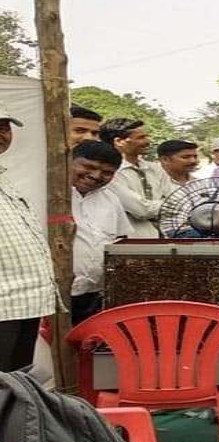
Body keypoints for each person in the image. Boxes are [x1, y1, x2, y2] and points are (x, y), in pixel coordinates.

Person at [0, 107, 56, 372]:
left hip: (23, 303)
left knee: (17, 383)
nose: (2, 134)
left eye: (4, 127)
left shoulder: (4, 180)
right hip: (4, 303)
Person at [69, 141, 131, 324]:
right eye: (88, 167)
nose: (96, 176)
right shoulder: (48, 195)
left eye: (107, 172)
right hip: (54, 294)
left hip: (94, 294)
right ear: (69, 161)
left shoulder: (110, 199)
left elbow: (121, 240)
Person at [101, 118, 173, 238]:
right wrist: (168, 205)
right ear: (119, 141)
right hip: (129, 241)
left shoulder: (155, 169)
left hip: (163, 238)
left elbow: (177, 200)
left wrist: (155, 206)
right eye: (141, 137)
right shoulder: (109, 172)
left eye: (147, 136)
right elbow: (141, 210)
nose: (148, 141)